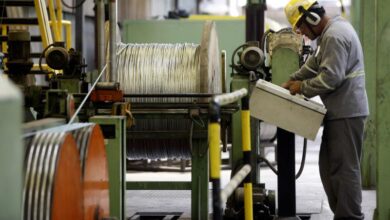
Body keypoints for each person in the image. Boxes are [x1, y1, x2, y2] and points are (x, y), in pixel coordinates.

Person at [282, 0, 369, 219]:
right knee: (329, 167)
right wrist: (293, 79)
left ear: (312, 18)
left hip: (347, 113)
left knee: (344, 170)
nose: (302, 33)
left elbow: (331, 77)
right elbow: (314, 63)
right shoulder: (329, 34)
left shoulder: (335, 36)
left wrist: (301, 87)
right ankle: (343, 213)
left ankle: (350, 216)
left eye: (301, 27)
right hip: (339, 112)